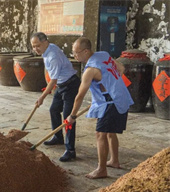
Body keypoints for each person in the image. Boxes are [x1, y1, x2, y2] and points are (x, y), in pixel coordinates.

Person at [66, 37, 133, 179]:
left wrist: (72, 116)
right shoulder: (103, 55)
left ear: (86, 51)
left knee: (100, 134)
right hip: (120, 96)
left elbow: (80, 96)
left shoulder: (90, 70)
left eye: (76, 52)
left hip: (111, 101)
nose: (74, 55)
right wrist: (110, 87)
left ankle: (101, 169)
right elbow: (121, 68)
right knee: (110, 131)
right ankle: (114, 161)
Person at [31, 32, 81, 162]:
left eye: (37, 45)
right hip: (61, 84)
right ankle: (58, 137)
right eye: (33, 46)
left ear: (45, 42)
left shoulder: (53, 55)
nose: (35, 49)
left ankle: (70, 150)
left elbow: (52, 80)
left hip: (70, 85)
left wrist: (42, 97)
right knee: (54, 109)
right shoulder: (47, 50)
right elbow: (52, 78)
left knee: (68, 118)